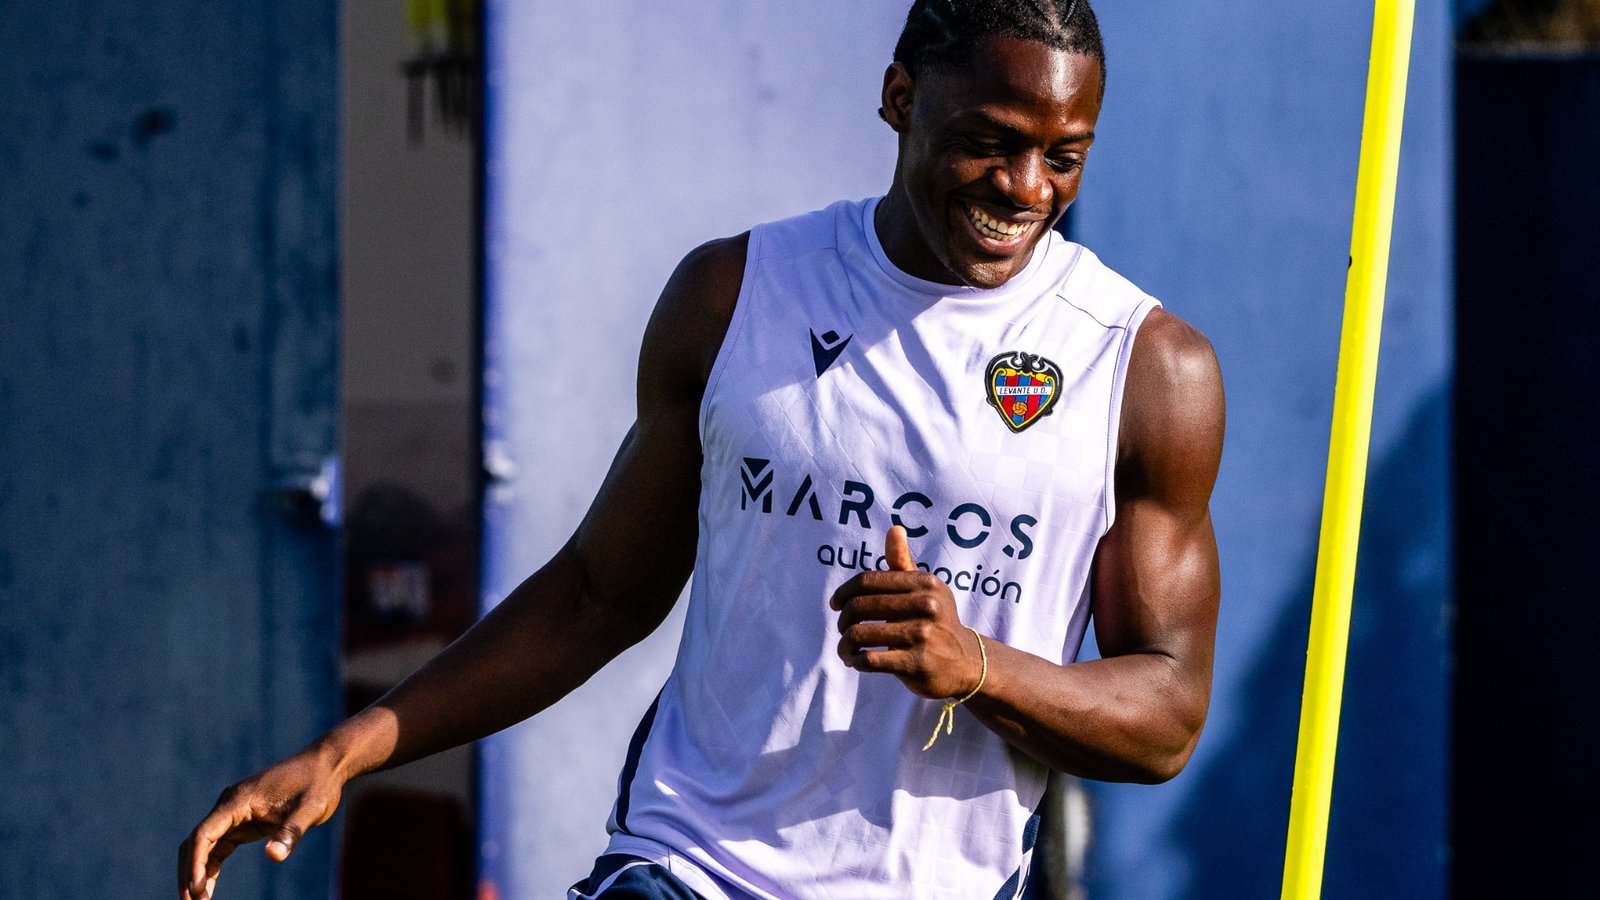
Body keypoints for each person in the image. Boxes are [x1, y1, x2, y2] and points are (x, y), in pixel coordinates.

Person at [179, 1, 1223, 897]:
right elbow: (597, 594)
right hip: (689, 861)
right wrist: (347, 750)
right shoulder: (737, 293)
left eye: (1063, 157)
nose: (1026, 188)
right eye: (991, 141)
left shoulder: (1144, 369)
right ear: (900, 98)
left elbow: (1166, 715)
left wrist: (977, 667)